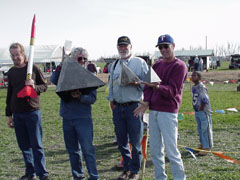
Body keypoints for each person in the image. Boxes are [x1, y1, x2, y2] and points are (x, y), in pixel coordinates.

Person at [134, 34, 187, 180]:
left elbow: (172, 91)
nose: (163, 50)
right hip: (154, 111)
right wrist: (147, 102)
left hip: (168, 112)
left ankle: (179, 178)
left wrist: (156, 86)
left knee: (171, 151)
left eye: (166, 46)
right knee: (156, 150)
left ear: (173, 46)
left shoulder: (180, 66)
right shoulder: (157, 65)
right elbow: (148, 88)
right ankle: (160, 177)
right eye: (160, 47)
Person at [50, 47, 99, 180]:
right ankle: (78, 176)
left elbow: (93, 99)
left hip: (83, 118)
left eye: (85, 59)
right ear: (73, 59)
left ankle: (94, 176)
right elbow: (53, 79)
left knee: (87, 150)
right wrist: (62, 63)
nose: (82, 61)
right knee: (73, 150)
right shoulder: (65, 72)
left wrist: (80, 97)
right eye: (79, 58)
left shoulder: (89, 75)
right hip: (67, 117)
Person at [5, 43, 49, 180]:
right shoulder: (11, 72)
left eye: (17, 54)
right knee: (24, 146)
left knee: (36, 145)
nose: (15, 58)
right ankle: (30, 173)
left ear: (23, 53)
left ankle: (43, 174)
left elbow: (45, 86)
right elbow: (10, 94)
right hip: (18, 114)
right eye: (13, 55)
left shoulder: (33, 68)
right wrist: (9, 115)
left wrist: (34, 86)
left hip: (32, 112)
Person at [107, 36, 148, 180]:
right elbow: (111, 83)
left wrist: (139, 84)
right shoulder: (114, 64)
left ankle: (134, 171)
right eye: (120, 46)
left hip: (134, 107)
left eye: (125, 46)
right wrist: (111, 100)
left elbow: (149, 85)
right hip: (118, 108)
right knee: (121, 141)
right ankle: (126, 168)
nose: (123, 48)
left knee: (135, 141)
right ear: (117, 48)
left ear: (131, 47)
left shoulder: (140, 63)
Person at [191, 71, 213, 156]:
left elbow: (205, 99)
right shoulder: (194, 87)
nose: (192, 77)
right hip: (197, 111)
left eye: (194, 75)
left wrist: (201, 107)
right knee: (200, 129)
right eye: (192, 75)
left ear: (199, 77)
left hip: (203, 111)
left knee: (205, 129)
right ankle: (202, 144)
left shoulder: (202, 87)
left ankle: (207, 147)